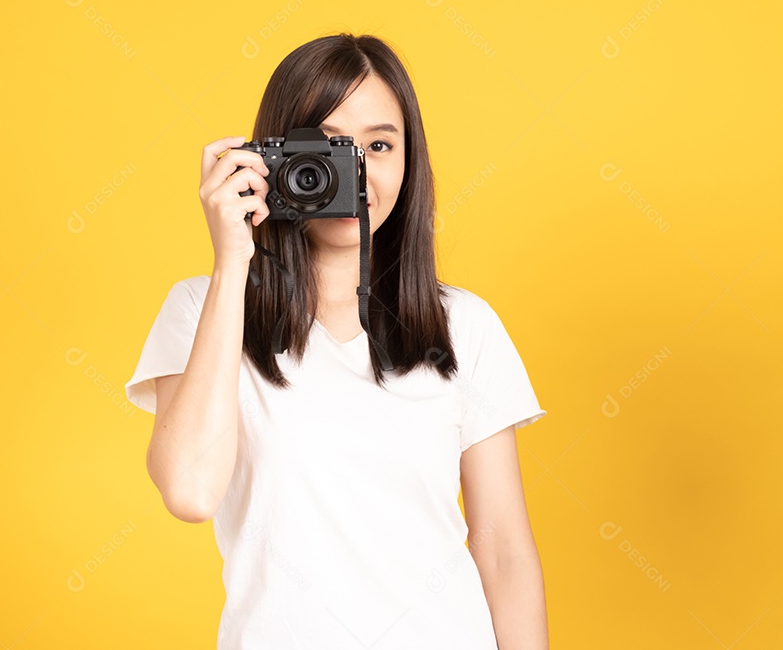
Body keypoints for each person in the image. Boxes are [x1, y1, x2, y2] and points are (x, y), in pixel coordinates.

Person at [125, 33, 549, 649]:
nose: (354, 171)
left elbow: (504, 551)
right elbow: (190, 491)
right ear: (269, 159)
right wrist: (233, 264)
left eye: (379, 145)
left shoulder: (463, 325)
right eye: (325, 148)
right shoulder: (201, 308)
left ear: (409, 161)